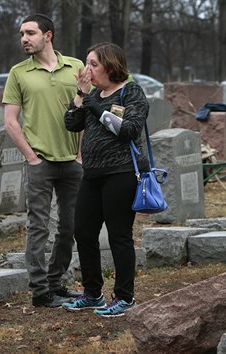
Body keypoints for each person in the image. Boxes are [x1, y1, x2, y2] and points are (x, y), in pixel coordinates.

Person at [62, 42, 149, 318]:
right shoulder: (93, 94)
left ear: (111, 66)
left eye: (93, 64)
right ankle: (92, 294)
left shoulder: (130, 91)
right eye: (86, 63)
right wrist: (81, 94)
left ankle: (125, 297)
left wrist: (96, 105)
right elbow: (71, 123)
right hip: (93, 174)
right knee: (84, 232)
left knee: (118, 236)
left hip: (121, 173)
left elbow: (129, 129)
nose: (87, 70)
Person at [2, 14, 84, 308]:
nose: (24, 38)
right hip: (40, 162)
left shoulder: (76, 67)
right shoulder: (19, 73)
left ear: (48, 35)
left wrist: (80, 153)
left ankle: (56, 283)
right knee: (38, 227)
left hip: (72, 162)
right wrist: (31, 157)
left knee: (70, 226)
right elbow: (10, 121)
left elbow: (85, 110)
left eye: (30, 33)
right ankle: (39, 291)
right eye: (22, 33)